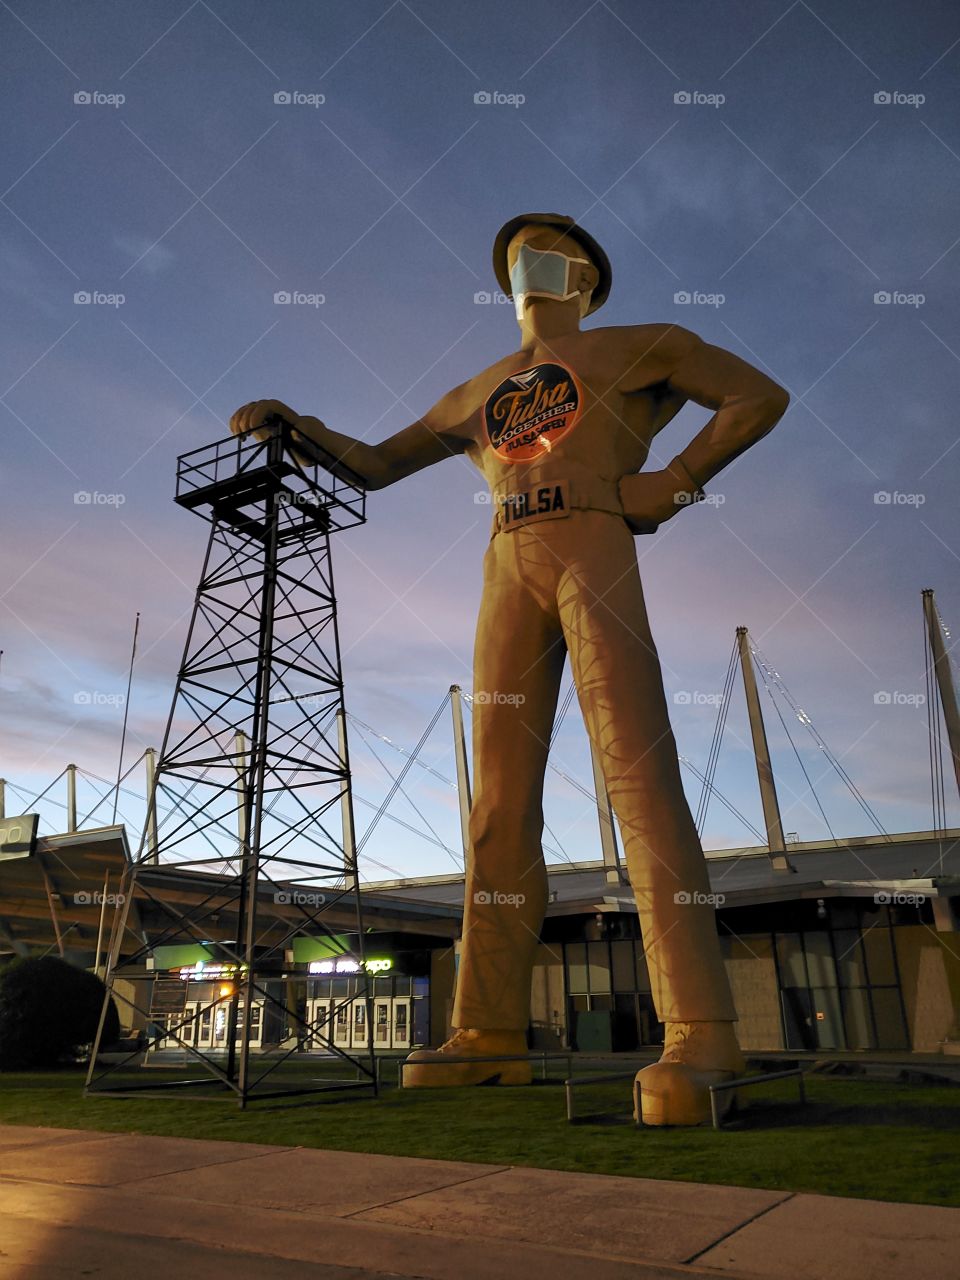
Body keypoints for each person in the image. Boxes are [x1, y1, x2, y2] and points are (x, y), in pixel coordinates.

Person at [230, 213, 789, 1124]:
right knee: (496, 800)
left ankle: (701, 1027)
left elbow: (758, 397)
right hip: (507, 558)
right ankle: (486, 1032)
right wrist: (303, 424)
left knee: (637, 773)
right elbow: (374, 465)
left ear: (587, 278)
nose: (528, 262)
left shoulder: (642, 344)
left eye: (548, 249)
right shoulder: (475, 392)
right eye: (517, 253)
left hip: (594, 540)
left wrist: (671, 486)